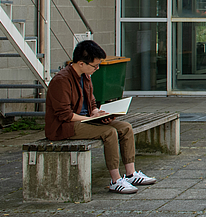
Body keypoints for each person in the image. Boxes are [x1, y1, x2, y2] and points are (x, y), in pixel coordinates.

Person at [45, 40, 157, 194]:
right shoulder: (61, 80)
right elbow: (64, 114)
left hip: (85, 120)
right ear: (81, 63)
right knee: (109, 133)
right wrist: (89, 120)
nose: (97, 69)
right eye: (94, 66)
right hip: (65, 126)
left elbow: (91, 102)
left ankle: (131, 174)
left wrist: (97, 113)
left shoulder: (86, 76)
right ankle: (115, 180)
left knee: (125, 127)